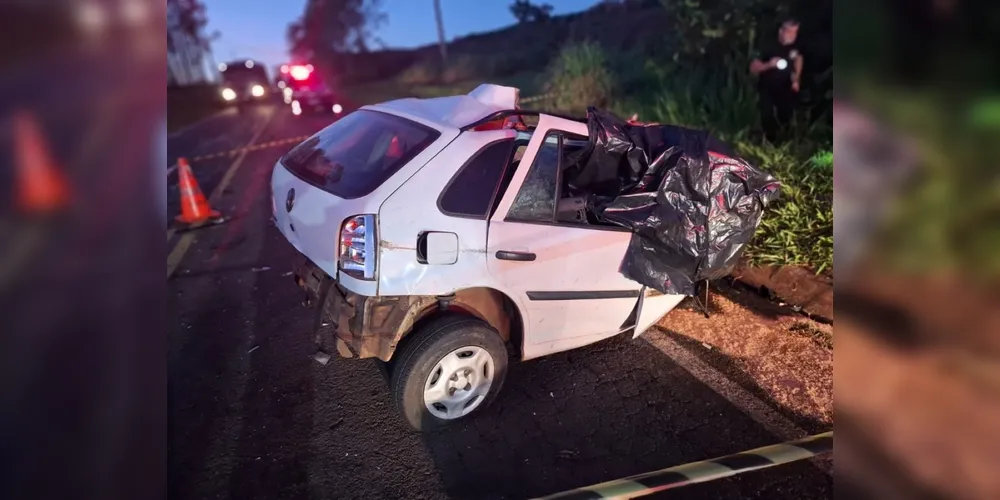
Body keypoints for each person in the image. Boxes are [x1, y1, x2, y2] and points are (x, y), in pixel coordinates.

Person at [750, 18, 803, 142]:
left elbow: (798, 58)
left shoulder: (795, 45)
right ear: (781, 31)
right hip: (767, 86)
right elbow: (753, 68)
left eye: (795, 32)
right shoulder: (767, 45)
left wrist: (796, 78)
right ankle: (768, 142)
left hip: (786, 86)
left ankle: (787, 142)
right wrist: (769, 65)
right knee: (767, 115)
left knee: (787, 116)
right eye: (789, 32)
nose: (793, 36)